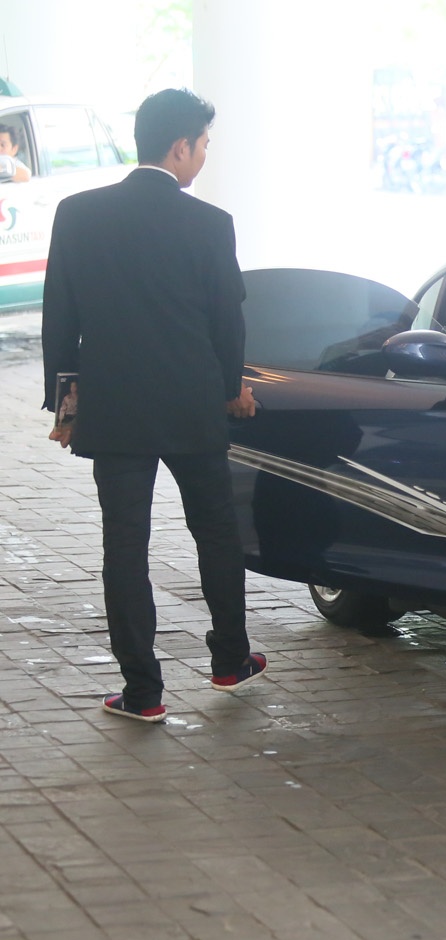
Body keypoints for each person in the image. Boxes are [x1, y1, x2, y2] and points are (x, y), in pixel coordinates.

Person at [41, 88, 265, 724]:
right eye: (204, 145)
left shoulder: (78, 213)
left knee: (125, 548)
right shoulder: (210, 223)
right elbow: (228, 323)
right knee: (216, 532)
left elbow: (60, 318)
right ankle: (231, 660)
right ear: (180, 147)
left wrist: (66, 406)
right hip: (193, 406)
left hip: (115, 410)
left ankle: (143, 693)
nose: (205, 157)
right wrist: (232, 387)